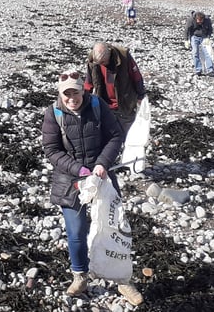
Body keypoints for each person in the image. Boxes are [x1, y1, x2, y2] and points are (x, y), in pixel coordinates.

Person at [41, 69, 144, 306]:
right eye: (66, 94)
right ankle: (80, 276)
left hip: (102, 176)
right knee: (76, 232)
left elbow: (115, 136)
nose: (71, 99)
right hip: (70, 180)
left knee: (116, 229)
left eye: (75, 93)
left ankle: (122, 280)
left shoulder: (97, 105)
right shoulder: (53, 113)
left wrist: (101, 164)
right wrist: (77, 169)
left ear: (82, 91)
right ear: (60, 94)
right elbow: (52, 150)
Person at [85, 42, 146, 135]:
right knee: (108, 134)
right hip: (104, 103)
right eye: (99, 63)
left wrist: (141, 95)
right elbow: (88, 82)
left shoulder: (124, 57)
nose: (102, 64)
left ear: (109, 54)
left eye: (103, 62)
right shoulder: (93, 61)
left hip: (125, 103)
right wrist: (84, 98)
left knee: (128, 133)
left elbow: (136, 77)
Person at [184, 11, 214, 76]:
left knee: (208, 53)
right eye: (198, 21)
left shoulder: (207, 20)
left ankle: (210, 69)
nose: (200, 22)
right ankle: (198, 69)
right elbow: (186, 30)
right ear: (196, 19)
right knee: (195, 52)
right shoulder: (191, 20)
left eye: (201, 21)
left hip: (204, 37)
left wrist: (208, 37)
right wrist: (186, 40)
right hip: (194, 36)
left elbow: (210, 29)